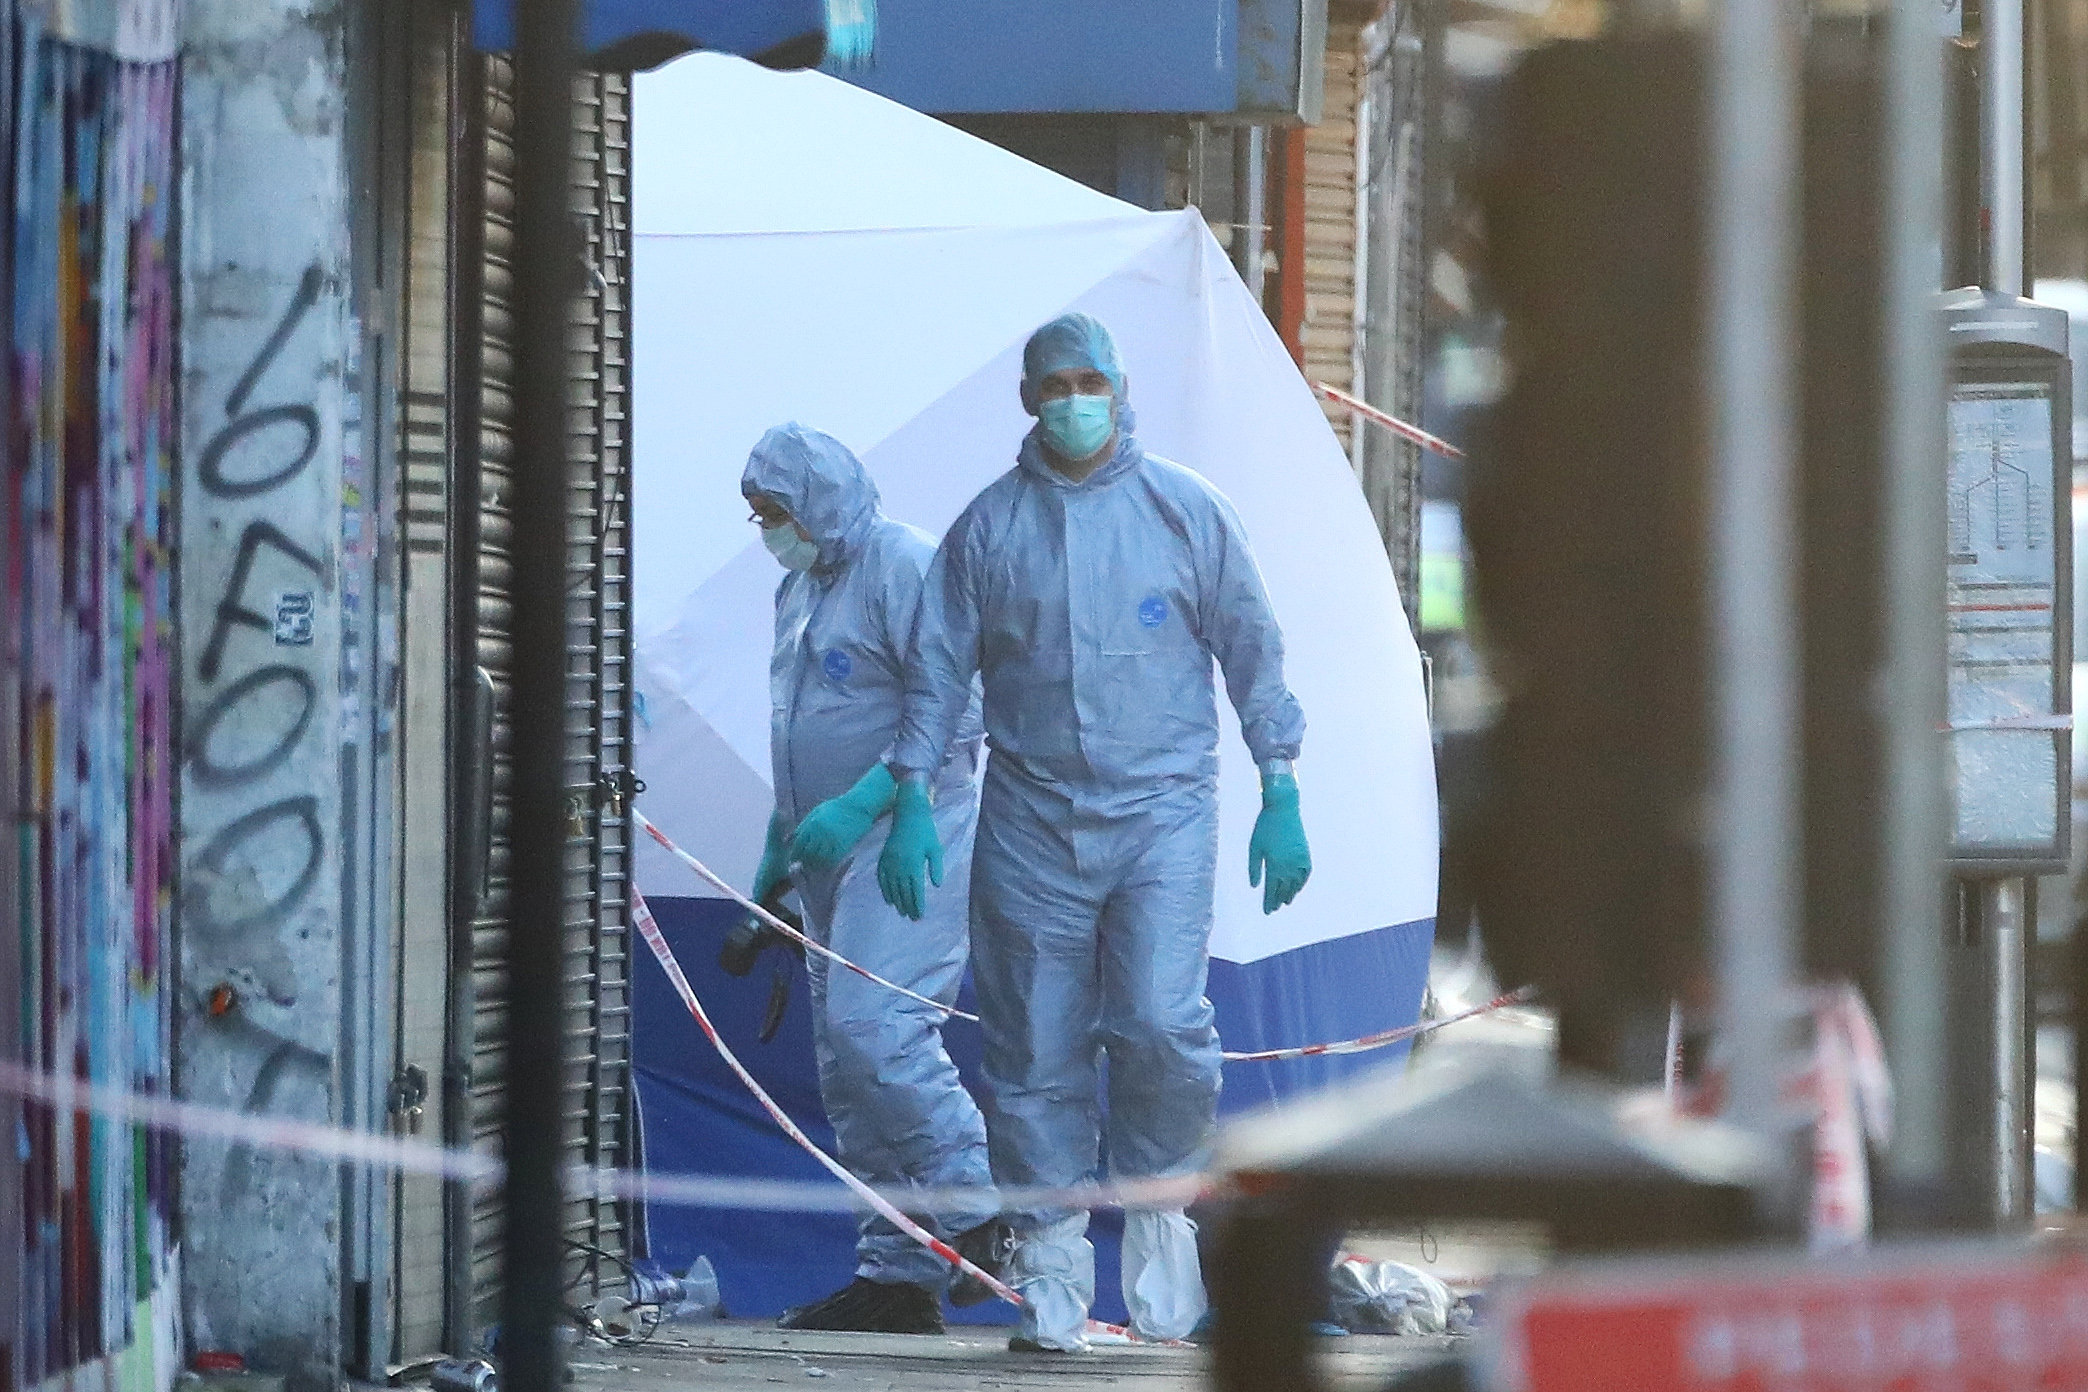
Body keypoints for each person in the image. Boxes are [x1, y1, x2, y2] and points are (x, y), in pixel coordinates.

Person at [877, 314, 1312, 1352]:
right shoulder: (988, 531)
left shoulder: (1187, 512)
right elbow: (938, 669)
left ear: (1119, 388)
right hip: (1031, 820)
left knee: (1162, 1023)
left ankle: (1163, 1226)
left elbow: (1253, 643)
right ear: (1028, 400)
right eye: (1053, 384)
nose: (1073, 399)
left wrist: (1281, 780)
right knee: (1033, 1045)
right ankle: (1054, 1272)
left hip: (1164, 810)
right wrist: (905, 793)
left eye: (1089, 380)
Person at [740, 422, 1009, 1335]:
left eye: (775, 511)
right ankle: (894, 1273)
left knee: (879, 1026)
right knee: (846, 1068)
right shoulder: (800, 588)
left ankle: (982, 1213)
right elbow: (802, 719)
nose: (768, 529)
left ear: (817, 501)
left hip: (909, 836)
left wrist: (867, 806)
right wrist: (779, 845)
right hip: (825, 854)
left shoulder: (905, 567)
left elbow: (960, 705)